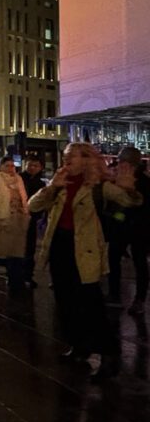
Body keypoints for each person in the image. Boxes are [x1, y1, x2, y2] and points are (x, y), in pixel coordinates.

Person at [29, 143, 142, 379]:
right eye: (65, 156)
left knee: (91, 304)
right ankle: (79, 346)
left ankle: (108, 355)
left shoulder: (98, 186)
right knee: (65, 300)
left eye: (71, 156)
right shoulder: (60, 183)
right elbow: (33, 206)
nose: (66, 160)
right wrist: (51, 187)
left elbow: (130, 201)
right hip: (59, 247)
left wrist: (129, 189)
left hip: (84, 250)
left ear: (86, 160)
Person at [106, 147, 150, 312]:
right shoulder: (118, 179)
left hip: (136, 227)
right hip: (127, 226)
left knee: (136, 262)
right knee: (121, 260)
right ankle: (120, 295)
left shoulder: (143, 182)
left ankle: (134, 298)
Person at [0, 157, 30, 293]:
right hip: (2, 222)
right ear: (0, 167)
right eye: (7, 166)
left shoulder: (19, 181)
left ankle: (16, 283)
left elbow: (24, 200)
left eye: (12, 166)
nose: (11, 169)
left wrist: (25, 214)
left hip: (17, 222)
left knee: (16, 255)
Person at [20, 157, 47, 289]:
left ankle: (28, 275)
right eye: (30, 165)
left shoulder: (41, 184)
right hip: (18, 218)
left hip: (33, 219)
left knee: (30, 247)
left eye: (35, 165)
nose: (32, 168)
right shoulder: (19, 179)